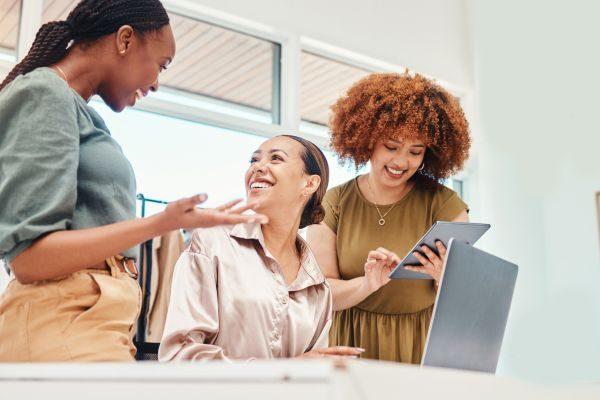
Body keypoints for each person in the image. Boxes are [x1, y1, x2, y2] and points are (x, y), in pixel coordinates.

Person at [0, 0, 264, 362]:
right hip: (62, 322)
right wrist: (162, 223)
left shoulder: (81, 111)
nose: (156, 83)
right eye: (160, 65)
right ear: (125, 40)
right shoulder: (44, 93)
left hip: (91, 324)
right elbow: (30, 258)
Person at [307, 72, 471, 363]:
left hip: (421, 340)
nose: (401, 162)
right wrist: (367, 284)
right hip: (352, 340)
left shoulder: (444, 203)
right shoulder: (335, 202)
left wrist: (444, 278)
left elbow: (467, 298)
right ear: (367, 140)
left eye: (415, 151)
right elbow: (322, 293)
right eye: (391, 147)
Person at [159, 135, 364, 361]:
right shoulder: (211, 244)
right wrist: (284, 370)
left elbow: (311, 371)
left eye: (276, 158)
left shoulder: (317, 285)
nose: (258, 167)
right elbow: (179, 354)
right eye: (254, 160)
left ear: (310, 183)